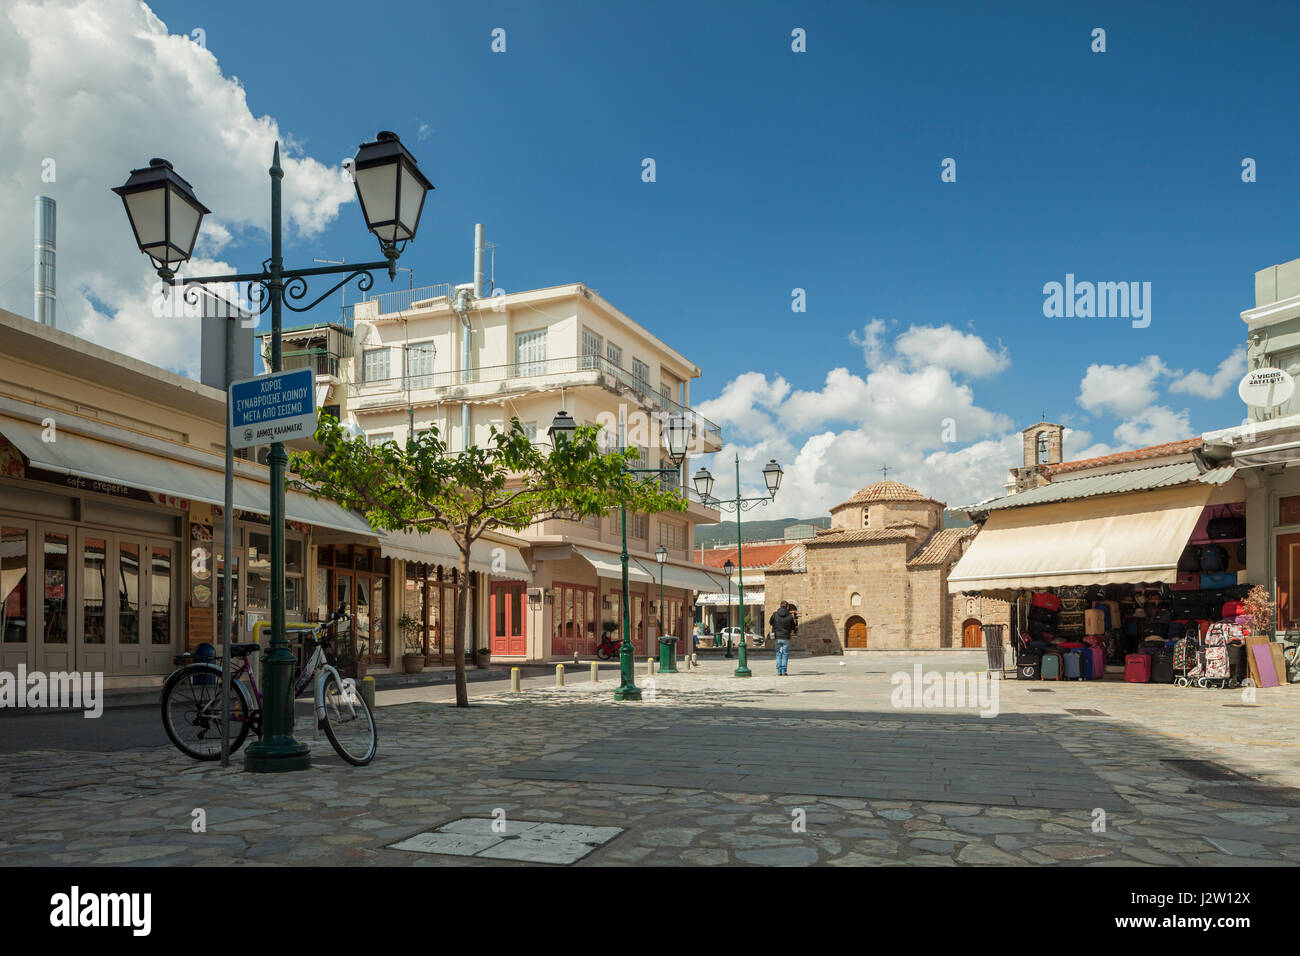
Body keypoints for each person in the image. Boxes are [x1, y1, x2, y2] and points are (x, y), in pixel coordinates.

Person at [769, 601, 797, 676]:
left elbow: (770, 622)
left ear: (780, 606)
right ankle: (784, 671)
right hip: (786, 637)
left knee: (778, 654)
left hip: (777, 637)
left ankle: (779, 671)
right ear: (787, 607)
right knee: (785, 654)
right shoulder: (790, 616)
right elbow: (793, 627)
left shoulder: (775, 614)